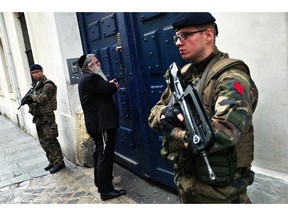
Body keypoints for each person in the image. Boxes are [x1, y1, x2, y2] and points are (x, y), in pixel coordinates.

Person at [148, 13, 258, 203]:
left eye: (185, 35)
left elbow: (223, 134)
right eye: (176, 37)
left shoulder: (231, 78)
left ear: (208, 35)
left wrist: (173, 131)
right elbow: (153, 114)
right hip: (186, 185)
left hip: (221, 194)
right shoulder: (183, 76)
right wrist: (166, 113)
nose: (177, 42)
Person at [77, 53, 127, 201]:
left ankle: (101, 184)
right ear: (90, 66)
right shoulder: (92, 78)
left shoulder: (86, 79)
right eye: (97, 62)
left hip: (97, 124)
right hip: (102, 124)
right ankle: (106, 191)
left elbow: (102, 89)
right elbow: (108, 89)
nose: (100, 64)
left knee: (100, 154)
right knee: (104, 156)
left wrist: (109, 85)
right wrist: (114, 85)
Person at [27, 64, 65, 174]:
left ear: (42, 71)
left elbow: (42, 99)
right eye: (33, 73)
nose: (35, 74)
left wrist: (31, 97)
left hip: (47, 117)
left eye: (37, 72)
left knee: (51, 140)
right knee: (43, 141)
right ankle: (52, 161)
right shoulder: (36, 85)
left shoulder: (48, 84)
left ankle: (59, 163)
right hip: (39, 117)